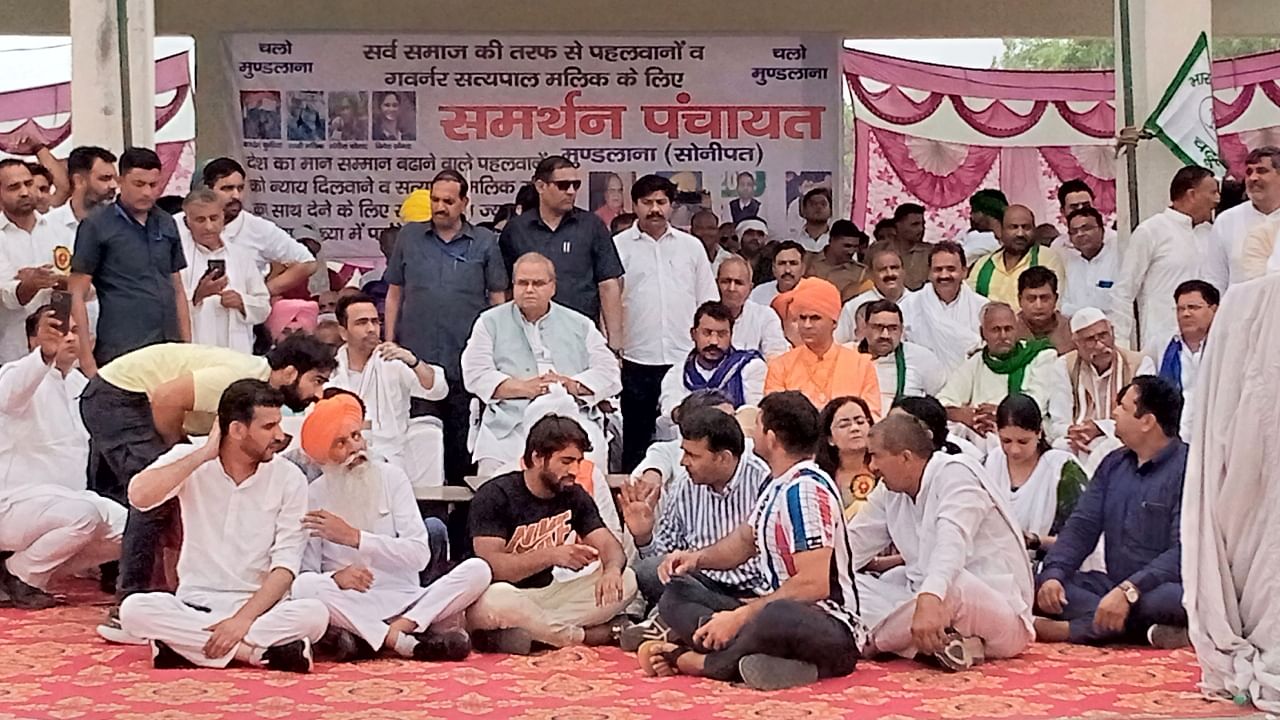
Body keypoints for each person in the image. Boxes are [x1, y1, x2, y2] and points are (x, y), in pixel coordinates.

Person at [82, 334, 335, 641]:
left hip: (127, 397)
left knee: (313, 614)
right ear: (291, 373)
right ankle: (128, 600)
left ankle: (183, 638)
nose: (319, 394)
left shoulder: (278, 454)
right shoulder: (238, 379)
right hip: (121, 396)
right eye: (317, 381)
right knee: (157, 500)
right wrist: (186, 455)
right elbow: (166, 398)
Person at [638, 391, 860, 691]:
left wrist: (739, 617)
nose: (751, 433)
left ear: (771, 437)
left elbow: (813, 584)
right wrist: (696, 559)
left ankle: (703, 662)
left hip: (828, 628)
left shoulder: (805, 490)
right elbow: (744, 542)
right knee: (676, 593)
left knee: (774, 614)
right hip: (771, 611)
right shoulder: (777, 484)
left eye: (756, 424)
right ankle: (761, 659)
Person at [117, 380, 329, 671]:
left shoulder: (289, 478)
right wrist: (203, 455)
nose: (280, 436)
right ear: (237, 430)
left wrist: (241, 621)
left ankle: (183, 646)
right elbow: (139, 497)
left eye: (278, 425)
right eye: (268, 427)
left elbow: (286, 567)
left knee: (315, 614)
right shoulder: (192, 459)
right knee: (134, 610)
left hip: (260, 609)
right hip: (196, 603)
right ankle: (258, 654)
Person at [291, 393, 491, 661]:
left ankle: (390, 633)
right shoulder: (313, 496)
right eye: (340, 443)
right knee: (304, 587)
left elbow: (420, 556)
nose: (354, 448)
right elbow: (308, 573)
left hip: (408, 602)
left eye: (356, 435)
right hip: (352, 605)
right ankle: (402, 641)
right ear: (323, 458)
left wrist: (355, 538)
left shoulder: (392, 478)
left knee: (478, 570)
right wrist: (335, 579)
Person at [851, 414, 1034, 670]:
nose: (871, 467)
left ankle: (867, 643)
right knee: (852, 585)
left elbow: (952, 545)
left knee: (951, 587)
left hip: (1000, 617)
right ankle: (948, 643)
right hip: (925, 602)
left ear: (905, 457)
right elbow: (852, 546)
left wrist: (930, 596)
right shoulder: (889, 491)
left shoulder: (956, 473)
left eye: (876, 456)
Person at [1034, 376, 1189, 649]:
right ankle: (1141, 632)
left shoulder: (1188, 468)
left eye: (1123, 407)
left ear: (1147, 422)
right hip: (1112, 586)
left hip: (1159, 588)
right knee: (1036, 585)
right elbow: (1082, 527)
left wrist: (1129, 590)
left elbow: (1183, 553)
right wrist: (1054, 575)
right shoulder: (1113, 463)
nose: (1114, 413)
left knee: (1172, 601)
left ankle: (1074, 630)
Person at [466, 414, 637, 654]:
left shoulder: (573, 494)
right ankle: (584, 635)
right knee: (497, 598)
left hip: (548, 597)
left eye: (578, 461)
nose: (575, 470)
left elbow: (609, 545)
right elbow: (492, 567)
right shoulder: (495, 495)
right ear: (537, 457)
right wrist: (551, 555)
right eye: (566, 461)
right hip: (498, 595)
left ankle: (531, 636)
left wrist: (611, 570)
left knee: (627, 579)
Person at [385, 169, 508, 496]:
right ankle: (424, 522)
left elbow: (498, 299)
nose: (440, 207)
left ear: (465, 202)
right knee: (418, 444)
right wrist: (388, 341)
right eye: (435, 200)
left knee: (461, 450)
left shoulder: (484, 242)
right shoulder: (409, 237)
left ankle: (461, 532)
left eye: (448, 201)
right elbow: (395, 291)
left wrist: (497, 351)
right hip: (416, 361)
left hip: (464, 363)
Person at [0, 307, 125, 608]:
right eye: (59, 331)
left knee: (134, 528)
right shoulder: (15, 375)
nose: (69, 338)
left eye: (74, 331)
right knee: (84, 514)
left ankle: (22, 574)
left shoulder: (81, 386)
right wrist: (44, 354)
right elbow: (12, 392)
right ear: (33, 340)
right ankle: (20, 574)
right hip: (13, 503)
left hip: (66, 505)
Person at [462, 252, 620, 475]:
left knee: (589, 458)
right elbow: (475, 374)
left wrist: (570, 384)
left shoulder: (580, 323)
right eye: (522, 283)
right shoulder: (489, 322)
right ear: (513, 285)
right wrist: (525, 388)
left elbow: (610, 372)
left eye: (537, 283)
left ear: (553, 287)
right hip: (509, 421)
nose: (529, 289)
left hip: (573, 417)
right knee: (494, 472)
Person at [614, 174, 719, 471]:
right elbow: (609, 302)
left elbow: (707, 302)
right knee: (636, 439)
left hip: (683, 358)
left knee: (691, 437)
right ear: (634, 205)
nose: (654, 209)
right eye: (647, 203)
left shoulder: (691, 247)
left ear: (672, 206)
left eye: (661, 202)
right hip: (635, 358)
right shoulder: (618, 247)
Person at [620, 406, 771, 611]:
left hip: (752, 594)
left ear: (723, 458)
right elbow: (664, 556)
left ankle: (680, 621)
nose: (683, 462)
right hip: (700, 584)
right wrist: (643, 536)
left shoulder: (763, 481)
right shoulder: (685, 484)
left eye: (692, 455)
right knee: (647, 571)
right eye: (683, 452)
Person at [69, 147, 192, 373]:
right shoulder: (96, 225)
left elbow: (177, 289)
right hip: (122, 348)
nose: (147, 192)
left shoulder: (166, 222)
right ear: (120, 180)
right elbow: (76, 293)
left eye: (153, 185)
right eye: (139, 184)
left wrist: (188, 348)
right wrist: (86, 360)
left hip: (169, 348)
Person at [330, 293, 448, 491]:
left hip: (389, 456)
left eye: (375, 321)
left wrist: (414, 362)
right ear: (343, 331)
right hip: (341, 456)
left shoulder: (393, 360)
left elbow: (436, 390)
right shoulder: (330, 370)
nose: (371, 329)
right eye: (361, 323)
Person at [499, 156, 624, 340]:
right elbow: (505, 290)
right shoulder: (516, 230)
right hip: (527, 336)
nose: (571, 191)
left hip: (580, 335)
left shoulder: (592, 226)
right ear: (541, 186)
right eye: (563, 185)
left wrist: (615, 343)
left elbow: (608, 285)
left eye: (576, 184)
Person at [1111, 166, 1221, 355]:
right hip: (1162, 345)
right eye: (1212, 192)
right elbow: (1124, 292)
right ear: (1192, 194)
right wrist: (1121, 348)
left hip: (1209, 346)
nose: (1217, 199)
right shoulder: (1151, 231)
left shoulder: (1212, 233)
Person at [940, 302, 1069, 443]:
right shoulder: (977, 361)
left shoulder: (1041, 356)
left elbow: (1036, 407)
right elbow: (943, 401)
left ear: (1017, 329)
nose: (1003, 336)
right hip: (981, 431)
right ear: (983, 333)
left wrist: (1002, 413)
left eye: (1008, 329)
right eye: (995, 330)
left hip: (1025, 435)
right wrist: (966, 415)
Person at [191, 158, 318, 296]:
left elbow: (307, 263)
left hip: (245, 315)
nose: (236, 195)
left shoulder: (258, 228)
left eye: (240, 188)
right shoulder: (182, 223)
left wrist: (261, 294)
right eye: (227, 188)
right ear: (207, 190)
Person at [984, 394, 1088, 557]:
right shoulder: (990, 463)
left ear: (1039, 432)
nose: (1014, 450)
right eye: (1006, 441)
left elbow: (1081, 539)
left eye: (1023, 442)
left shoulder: (1062, 471)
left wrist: (1035, 541)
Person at [764, 277, 882, 415]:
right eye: (802, 318)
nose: (807, 325)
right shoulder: (780, 366)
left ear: (834, 323)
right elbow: (774, 417)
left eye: (815, 318)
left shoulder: (861, 365)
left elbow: (871, 416)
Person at [1058, 308, 1155, 470]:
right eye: (1090, 339)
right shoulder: (1064, 365)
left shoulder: (1139, 363)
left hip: (1121, 436)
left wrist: (1099, 428)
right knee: (1061, 449)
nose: (1100, 345)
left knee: (1109, 447)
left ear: (1113, 333)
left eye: (1103, 335)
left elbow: (1141, 416)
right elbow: (1058, 419)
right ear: (1077, 344)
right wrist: (1075, 432)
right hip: (1078, 440)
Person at [177, 189, 270, 353]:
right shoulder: (177, 258)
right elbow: (169, 312)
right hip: (197, 352)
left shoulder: (241, 256)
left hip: (237, 351)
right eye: (200, 220)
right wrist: (197, 297)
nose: (209, 227)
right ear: (187, 222)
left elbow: (263, 307)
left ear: (223, 217)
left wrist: (242, 302)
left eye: (214, 218)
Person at [0, 159, 63, 363]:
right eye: (14, 187)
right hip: (12, 353)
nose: (25, 192)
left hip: (59, 351)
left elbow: (85, 289)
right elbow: (7, 297)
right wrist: (32, 284)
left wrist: (54, 279)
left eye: (28, 184)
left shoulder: (59, 228)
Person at [658, 301, 766, 419]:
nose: (714, 341)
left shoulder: (750, 366)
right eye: (707, 333)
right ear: (693, 334)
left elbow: (754, 415)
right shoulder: (678, 373)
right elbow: (671, 413)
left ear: (731, 335)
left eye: (721, 334)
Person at [900, 241, 986, 375]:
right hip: (922, 384)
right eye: (938, 269)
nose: (944, 275)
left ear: (964, 271)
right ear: (929, 273)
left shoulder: (983, 308)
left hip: (971, 384)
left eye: (951, 269)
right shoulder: (907, 306)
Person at [969, 204, 1068, 311]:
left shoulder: (1047, 258)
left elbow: (1054, 306)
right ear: (1001, 230)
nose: (1020, 233)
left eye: (1026, 227)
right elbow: (969, 304)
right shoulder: (983, 264)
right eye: (1013, 227)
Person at [1208, 147, 1280, 288]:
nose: (1253, 178)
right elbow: (1215, 280)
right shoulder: (1227, 221)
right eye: (1249, 172)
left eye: (1261, 171)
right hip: (1241, 308)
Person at [1157, 280, 1218, 441]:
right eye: (1180, 309)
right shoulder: (1161, 346)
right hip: (1174, 441)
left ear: (1214, 310)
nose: (1185, 314)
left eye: (1193, 308)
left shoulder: (1229, 347)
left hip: (1217, 436)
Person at [857, 300, 945, 411]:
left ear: (901, 330)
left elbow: (941, 400)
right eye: (878, 327)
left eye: (893, 328)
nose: (885, 335)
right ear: (865, 328)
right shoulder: (846, 355)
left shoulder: (922, 357)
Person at [836, 243, 915, 344]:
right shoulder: (854, 306)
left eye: (894, 267)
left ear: (903, 270)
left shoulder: (919, 303)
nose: (890, 274)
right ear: (870, 274)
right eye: (882, 269)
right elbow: (839, 345)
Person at [816, 396, 878, 519]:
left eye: (860, 422)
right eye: (844, 425)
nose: (855, 429)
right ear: (830, 438)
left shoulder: (884, 471)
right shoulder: (821, 479)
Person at [715, 256, 789, 359]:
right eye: (726, 281)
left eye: (738, 283)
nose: (731, 288)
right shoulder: (703, 315)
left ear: (750, 288)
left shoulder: (765, 316)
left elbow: (776, 357)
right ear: (716, 283)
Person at [1060, 207, 1120, 317]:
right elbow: (1064, 307)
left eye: (1086, 228)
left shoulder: (1118, 260)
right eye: (1074, 231)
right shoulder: (1070, 266)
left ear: (1102, 230)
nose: (1080, 234)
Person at [804, 220, 871, 302]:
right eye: (847, 246)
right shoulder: (807, 261)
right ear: (831, 240)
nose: (852, 251)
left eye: (855, 247)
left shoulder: (861, 272)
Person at [1014, 267, 1073, 354]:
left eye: (1044, 298)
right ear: (1020, 300)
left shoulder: (1071, 331)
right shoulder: (1009, 330)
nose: (1038, 306)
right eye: (1031, 299)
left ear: (1055, 299)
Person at [889, 203, 932, 291]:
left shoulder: (931, 252)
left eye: (922, 224)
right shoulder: (879, 250)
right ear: (898, 225)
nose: (921, 229)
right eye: (914, 224)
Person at [748, 240, 804, 307]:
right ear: (773, 268)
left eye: (793, 263)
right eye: (782, 263)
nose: (787, 270)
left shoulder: (815, 292)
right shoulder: (758, 294)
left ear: (803, 268)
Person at [955, 189, 1007, 261]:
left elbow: (955, 259)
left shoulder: (985, 240)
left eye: (973, 211)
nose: (971, 217)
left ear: (984, 213)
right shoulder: (968, 234)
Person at [796, 187, 833, 253]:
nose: (818, 207)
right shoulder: (794, 241)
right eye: (813, 204)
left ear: (831, 211)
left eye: (823, 204)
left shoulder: (838, 242)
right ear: (803, 211)